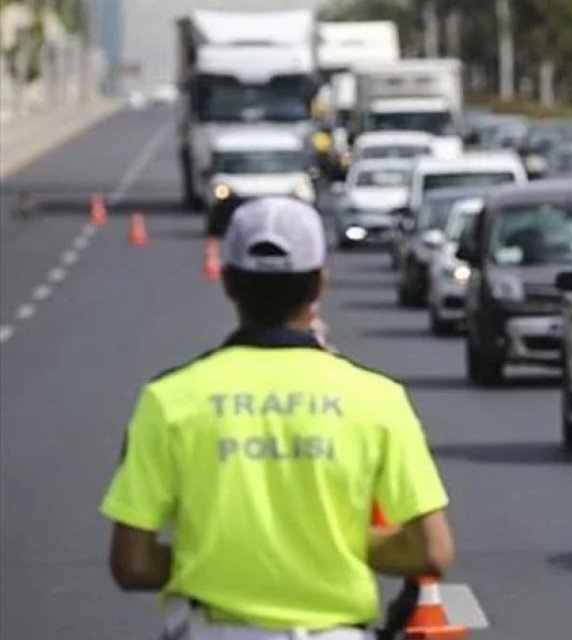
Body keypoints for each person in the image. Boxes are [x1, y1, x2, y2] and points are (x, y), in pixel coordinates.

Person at [101, 197, 454, 639]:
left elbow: (131, 564)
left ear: (228, 282)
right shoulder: (377, 399)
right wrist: (324, 548)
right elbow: (432, 550)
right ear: (319, 284)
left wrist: (214, 559)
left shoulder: (169, 399)